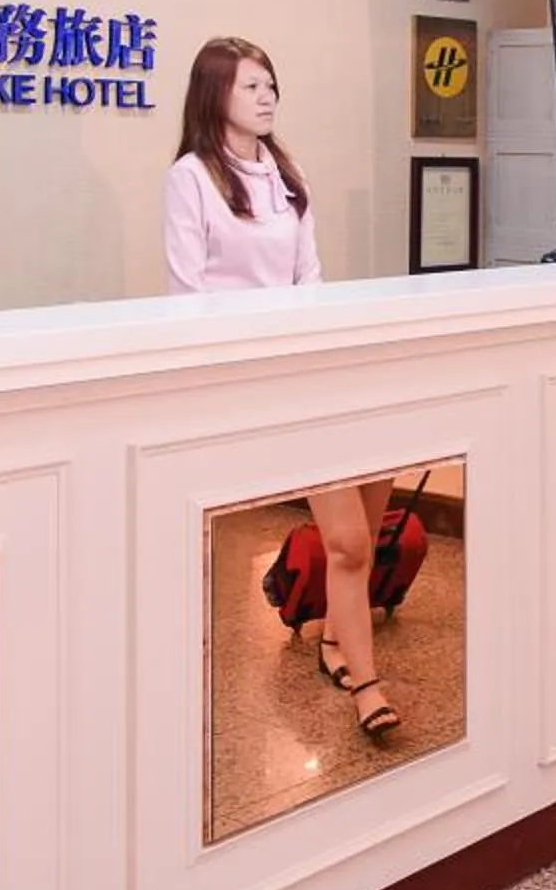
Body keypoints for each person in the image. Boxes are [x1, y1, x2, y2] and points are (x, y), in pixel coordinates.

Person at [163, 37, 401, 741]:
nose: (266, 98)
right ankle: (368, 683)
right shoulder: (191, 177)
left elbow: (311, 278)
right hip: (255, 379)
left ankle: (334, 639)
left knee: (377, 479)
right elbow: (188, 291)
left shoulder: (287, 175)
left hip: (310, 364)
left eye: (271, 85)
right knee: (351, 542)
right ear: (215, 97)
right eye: (250, 87)